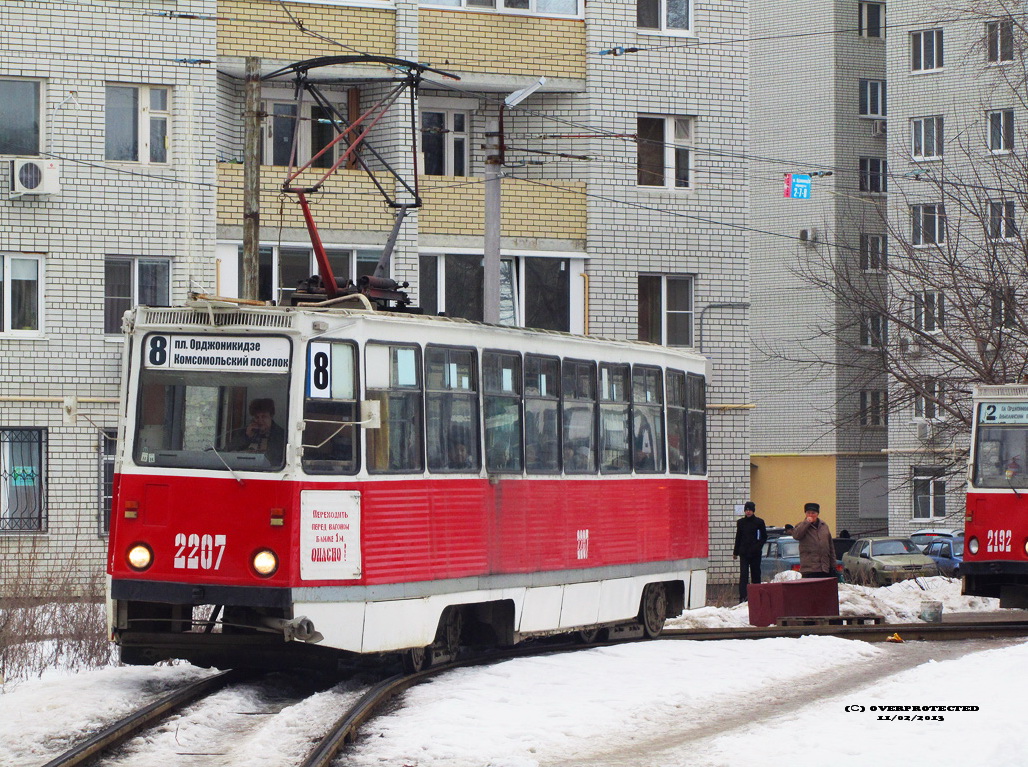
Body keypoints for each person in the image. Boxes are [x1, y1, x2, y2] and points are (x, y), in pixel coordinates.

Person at [230, 398, 285, 462]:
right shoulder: (244, 432)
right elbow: (229, 451)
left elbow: (276, 458)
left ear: (271, 416)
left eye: (264, 416)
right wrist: (246, 437)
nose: (260, 420)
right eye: (257, 417)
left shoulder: (280, 435)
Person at [733, 501, 767, 601]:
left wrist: (758, 547)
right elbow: (738, 537)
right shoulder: (741, 522)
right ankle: (743, 597)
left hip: (755, 553)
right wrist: (735, 552)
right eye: (746, 510)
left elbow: (763, 537)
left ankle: (757, 596)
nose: (748, 512)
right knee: (744, 575)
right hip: (744, 553)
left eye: (750, 510)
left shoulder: (759, 522)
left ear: (753, 511)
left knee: (755, 574)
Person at [792, 502, 835, 578]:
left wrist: (833, 565)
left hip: (824, 568)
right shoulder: (801, 526)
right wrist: (806, 523)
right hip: (809, 569)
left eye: (813, 513)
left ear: (817, 514)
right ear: (805, 514)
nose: (811, 515)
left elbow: (831, 547)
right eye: (808, 513)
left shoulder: (824, 526)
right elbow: (796, 536)